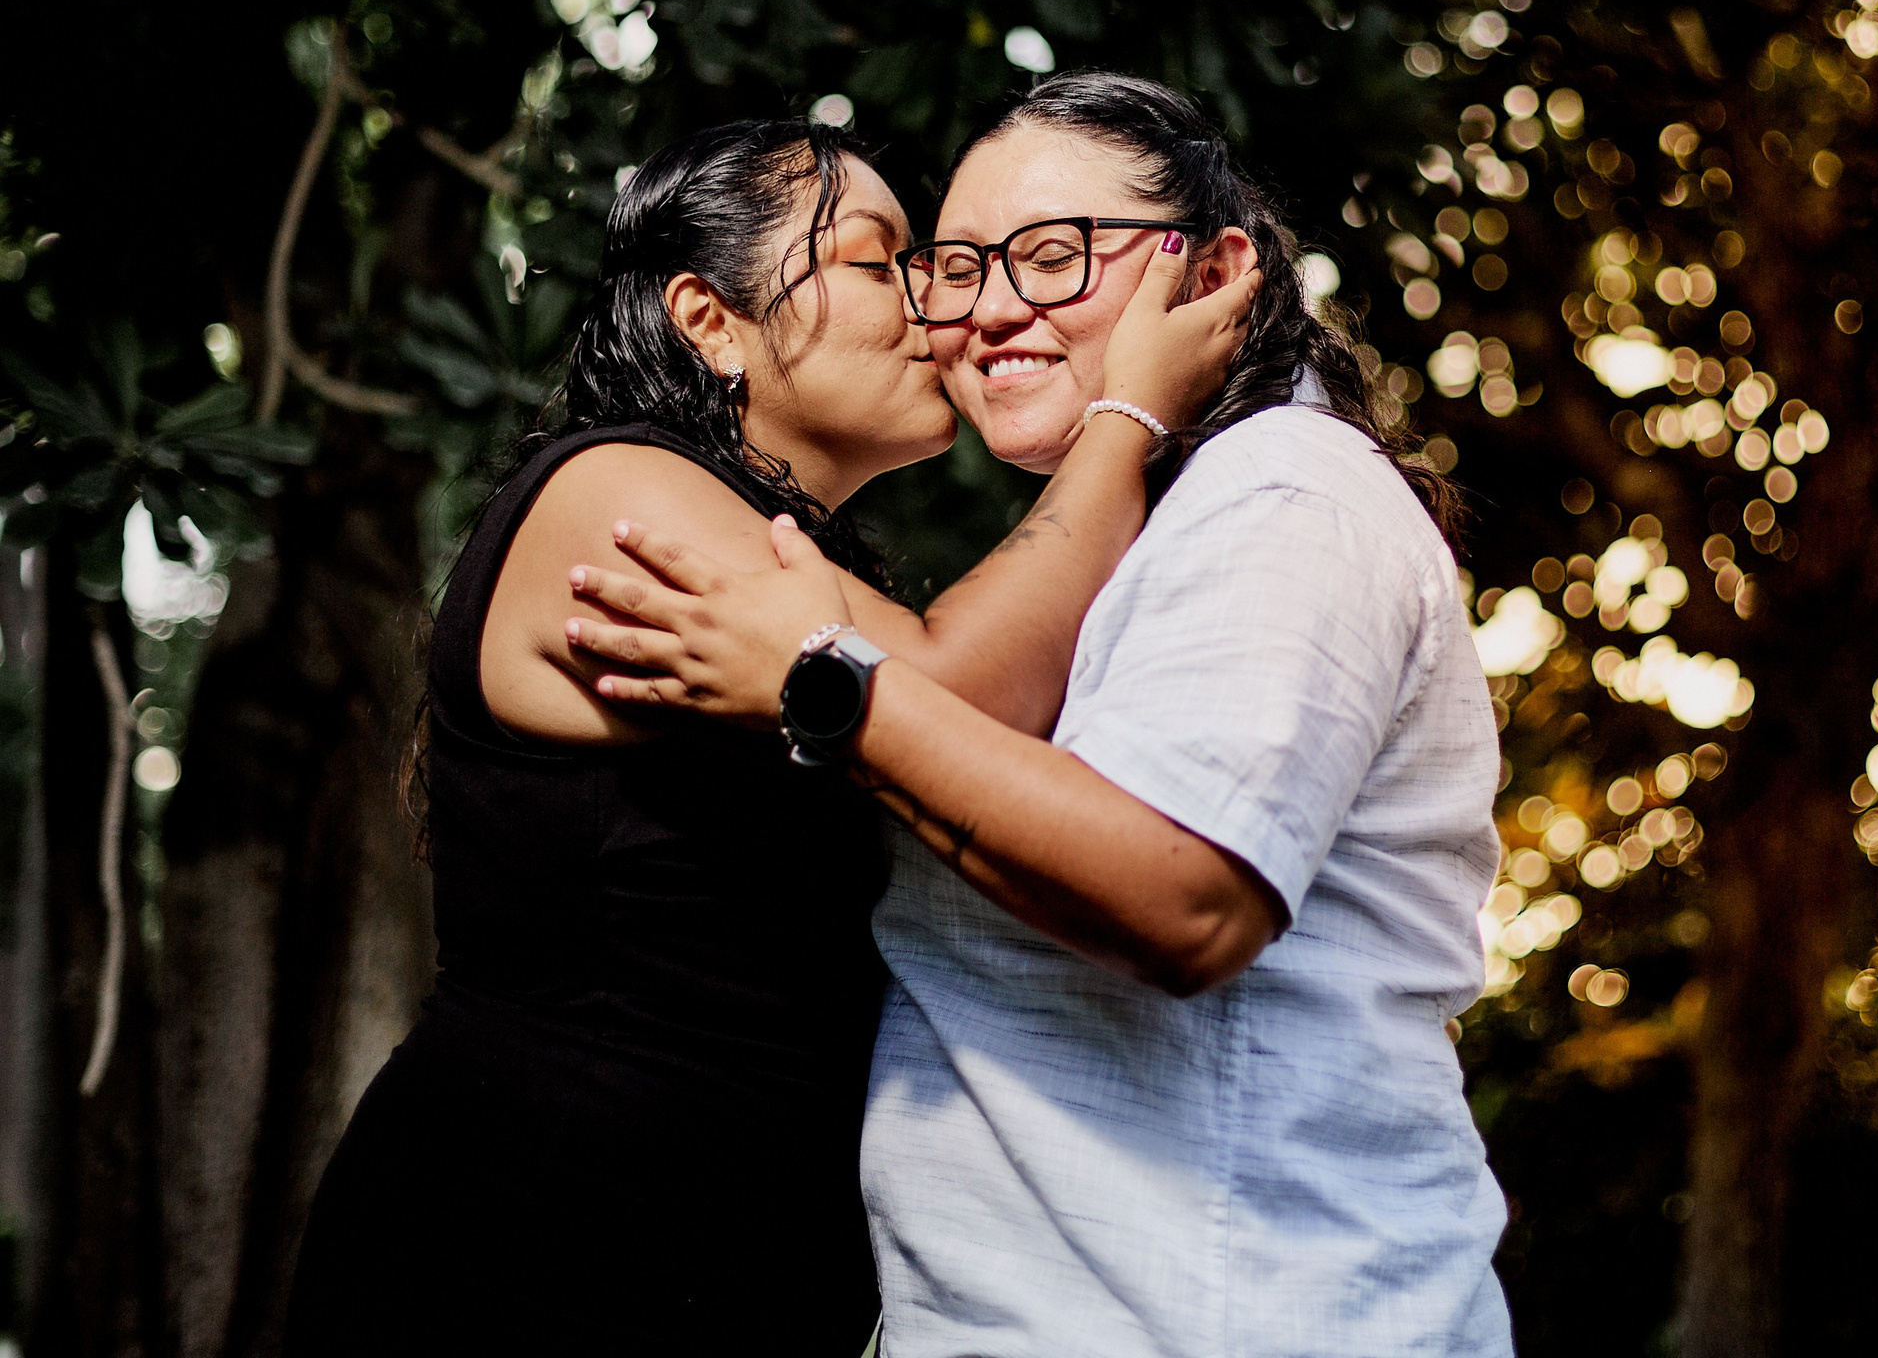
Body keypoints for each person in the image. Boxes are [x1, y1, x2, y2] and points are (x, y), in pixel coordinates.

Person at [563, 73, 1515, 1358]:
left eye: (1057, 257)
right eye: (956, 269)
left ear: (1214, 269)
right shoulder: (1124, 535)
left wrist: (827, 689)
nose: (992, 307)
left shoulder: (1282, 497)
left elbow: (1188, 895)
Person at [282, 116, 1255, 1356]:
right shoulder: (614, 494)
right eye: (872, 258)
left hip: (718, 1275)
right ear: (708, 319)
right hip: (528, 1258)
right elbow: (953, 698)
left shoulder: (795, 551)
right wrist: (1126, 415)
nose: (930, 303)